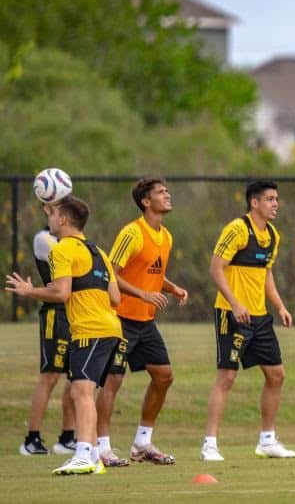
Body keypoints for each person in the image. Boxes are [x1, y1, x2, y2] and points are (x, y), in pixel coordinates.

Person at [6, 196, 122, 475]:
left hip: (89, 329)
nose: (48, 219)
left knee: (81, 392)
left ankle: (83, 455)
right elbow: (116, 298)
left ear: (63, 219)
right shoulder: (98, 252)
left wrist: (29, 291)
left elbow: (61, 293)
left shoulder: (62, 249)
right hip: (111, 328)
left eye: (52, 214)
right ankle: (92, 456)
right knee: (84, 391)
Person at [200, 180, 295, 461]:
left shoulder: (273, 236)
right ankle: (209, 444)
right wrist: (234, 303)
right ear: (254, 203)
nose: (275, 204)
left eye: (276, 199)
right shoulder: (237, 229)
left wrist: (280, 306)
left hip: (259, 317)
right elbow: (216, 268)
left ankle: (267, 441)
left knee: (276, 375)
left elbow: (266, 275)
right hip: (231, 314)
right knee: (227, 377)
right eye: (269, 199)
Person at [96, 179, 188, 467]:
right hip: (120, 319)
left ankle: (142, 443)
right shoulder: (132, 233)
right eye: (161, 192)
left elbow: (152, 273)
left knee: (164, 376)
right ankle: (101, 448)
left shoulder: (167, 236)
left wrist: (171, 288)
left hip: (145, 321)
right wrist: (142, 294)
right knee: (113, 380)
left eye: (167, 191)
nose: (167, 195)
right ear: (146, 202)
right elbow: (110, 273)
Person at [19, 220, 76, 456]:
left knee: (76, 377)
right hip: (55, 313)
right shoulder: (44, 239)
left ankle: (67, 437)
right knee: (50, 375)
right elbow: (72, 260)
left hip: (76, 313)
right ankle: (31, 439)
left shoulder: (72, 241)